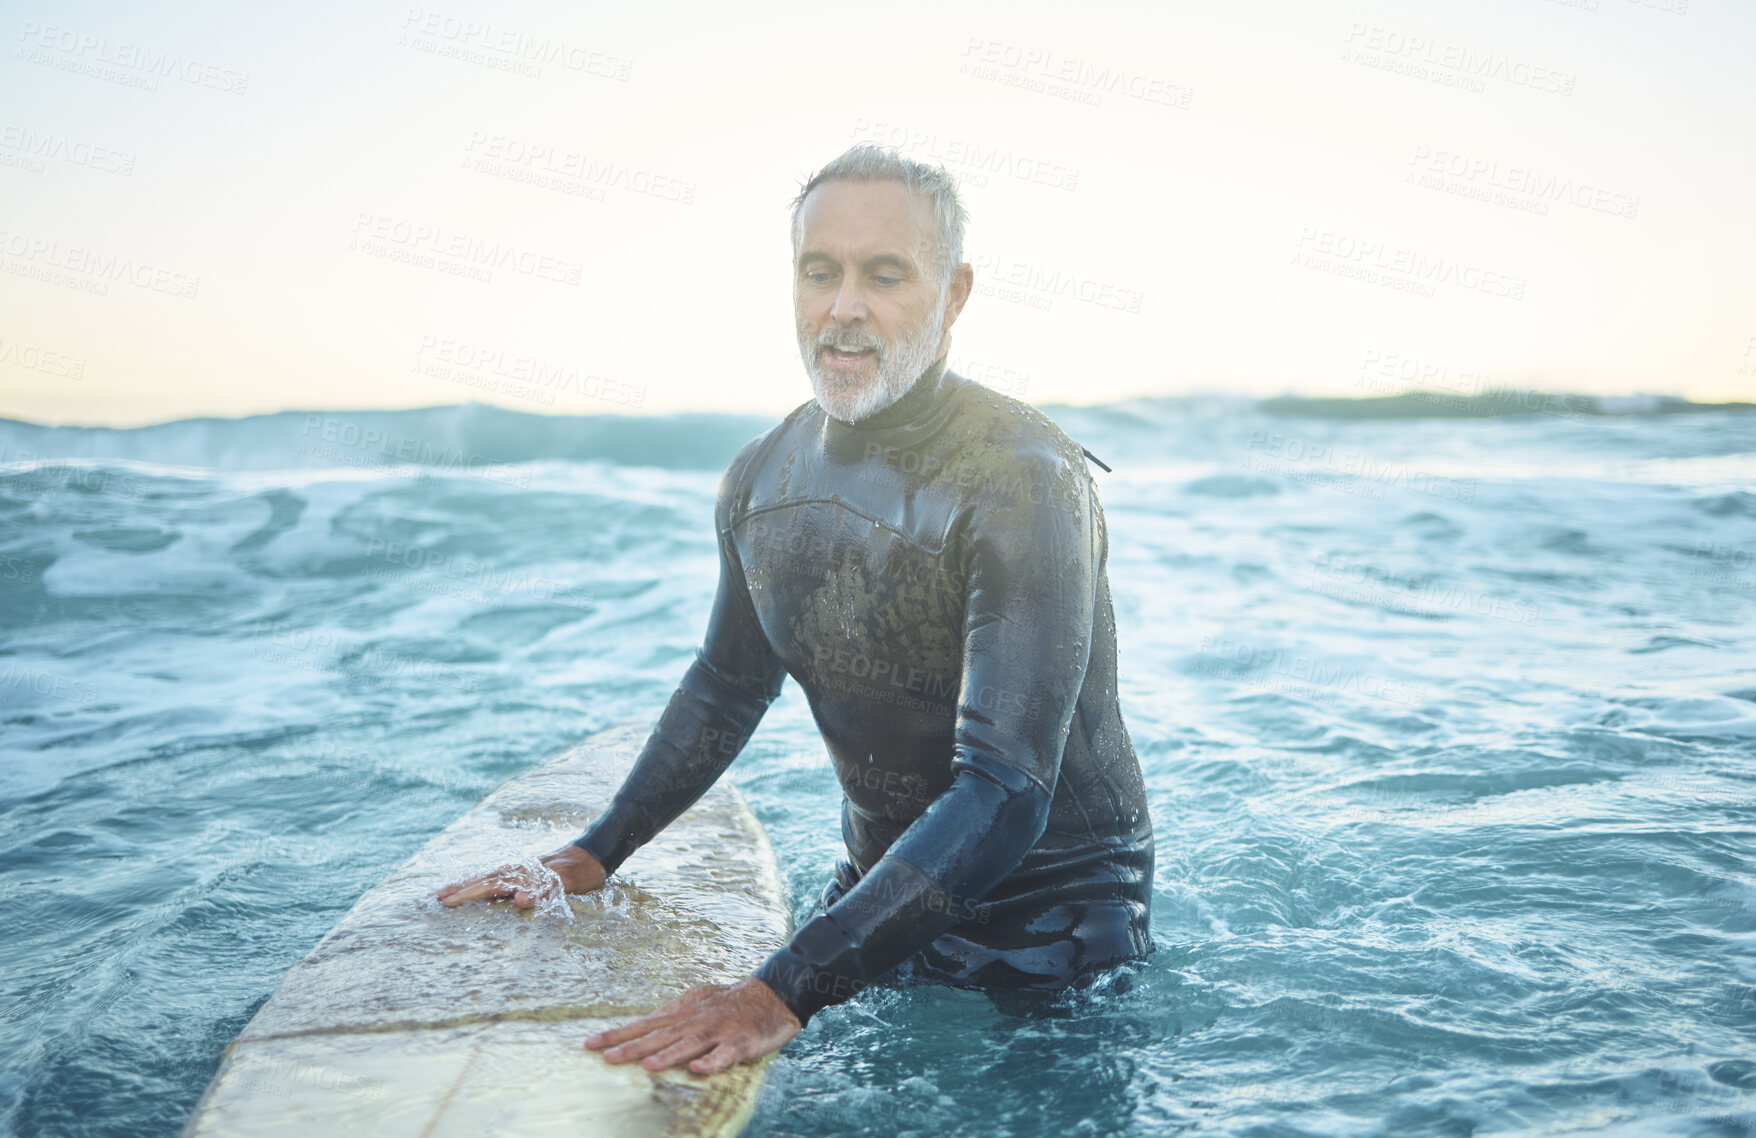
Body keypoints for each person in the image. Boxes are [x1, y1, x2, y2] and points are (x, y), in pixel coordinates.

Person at [436, 143, 1154, 1075]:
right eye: (821, 272)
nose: (845, 308)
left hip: (1056, 930)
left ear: (956, 293)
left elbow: (1007, 787)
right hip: (875, 894)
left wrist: (781, 989)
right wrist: (597, 850)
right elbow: (728, 684)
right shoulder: (763, 478)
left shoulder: (1022, 481)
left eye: (885, 274)